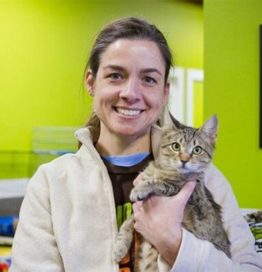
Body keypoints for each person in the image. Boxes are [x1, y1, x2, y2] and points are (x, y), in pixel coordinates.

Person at [10, 17, 262, 272]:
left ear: (164, 92)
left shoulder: (205, 178)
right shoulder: (51, 184)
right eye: (116, 75)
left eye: (148, 79)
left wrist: (175, 244)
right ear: (91, 82)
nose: (130, 93)